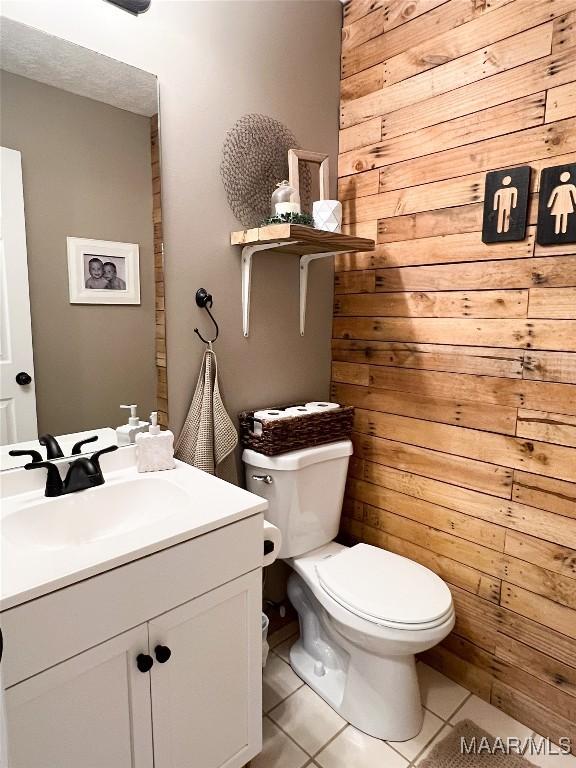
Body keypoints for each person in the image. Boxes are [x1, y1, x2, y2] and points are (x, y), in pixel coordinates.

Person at [547, 171, 576, 235]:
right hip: (558, 204)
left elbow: (574, 195)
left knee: (564, 216)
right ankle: (557, 231)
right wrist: (549, 204)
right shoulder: (558, 188)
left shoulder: (570, 186)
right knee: (558, 216)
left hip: (566, 203)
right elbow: (553, 196)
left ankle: (563, 231)